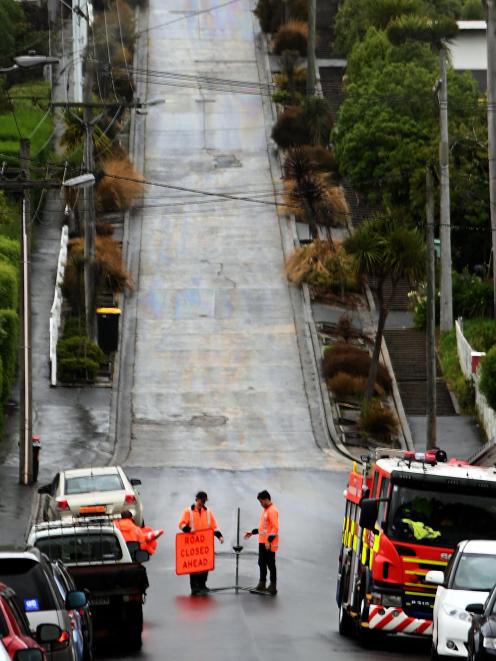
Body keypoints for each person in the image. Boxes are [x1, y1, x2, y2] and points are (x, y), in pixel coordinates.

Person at [178, 491, 224, 595]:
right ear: (196, 499)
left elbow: (214, 527)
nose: (202, 503)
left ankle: (202, 585)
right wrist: (187, 529)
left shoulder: (208, 512)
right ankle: (194, 587)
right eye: (200, 501)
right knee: (194, 566)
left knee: (205, 565)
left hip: (205, 544)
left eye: (204, 502)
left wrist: (219, 536)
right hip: (193, 543)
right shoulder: (188, 511)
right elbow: (181, 524)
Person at [244, 490, 279, 595]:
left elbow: (275, 528)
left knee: (270, 564)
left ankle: (272, 586)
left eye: (261, 502)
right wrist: (252, 532)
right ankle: (262, 584)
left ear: (266, 499)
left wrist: (269, 541)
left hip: (268, 543)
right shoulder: (266, 510)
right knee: (262, 563)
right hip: (263, 542)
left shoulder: (272, 510)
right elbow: (264, 528)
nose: (260, 504)